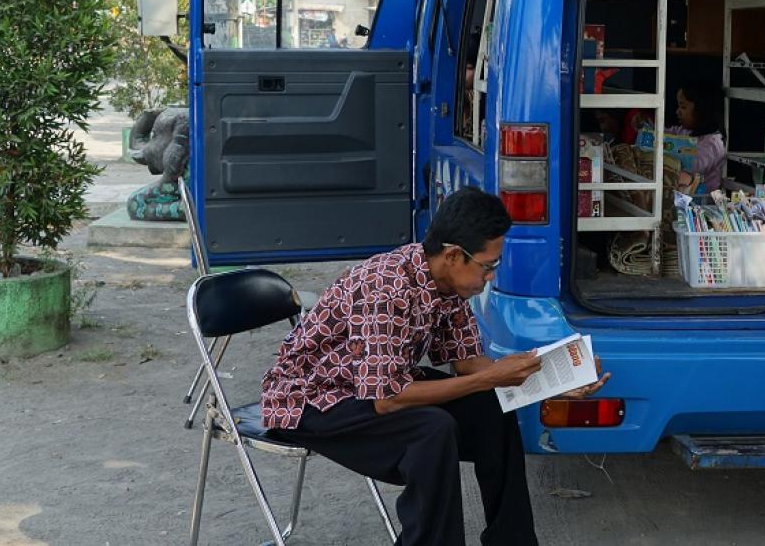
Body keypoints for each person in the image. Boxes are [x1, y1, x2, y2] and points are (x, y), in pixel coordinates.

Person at [260, 186, 609, 546]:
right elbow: (388, 400)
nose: (491, 277)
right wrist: (492, 376)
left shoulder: (447, 283)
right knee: (432, 429)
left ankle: (513, 540)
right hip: (312, 400)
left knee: (493, 407)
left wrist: (550, 379)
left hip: (372, 382)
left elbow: (469, 365)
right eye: (488, 266)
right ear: (454, 256)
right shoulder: (387, 287)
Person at [669, 82, 727, 192]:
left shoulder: (713, 143)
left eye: (683, 107)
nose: (677, 112)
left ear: (702, 109)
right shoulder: (684, 130)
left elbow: (694, 167)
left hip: (700, 201)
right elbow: (663, 133)